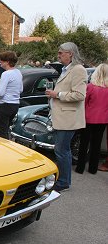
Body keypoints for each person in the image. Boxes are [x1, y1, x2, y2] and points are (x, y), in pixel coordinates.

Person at [45, 42, 87, 192]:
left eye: (61, 53)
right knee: (62, 150)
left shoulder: (78, 70)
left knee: (61, 150)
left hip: (68, 119)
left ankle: (63, 182)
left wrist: (58, 94)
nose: (58, 55)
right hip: (62, 116)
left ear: (71, 54)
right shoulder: (66, 69)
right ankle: (64, 180)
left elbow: (80, 95)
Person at [75, 63, 108, 174]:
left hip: (88, 118)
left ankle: (80, 168)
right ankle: (93, 169)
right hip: (103, 120)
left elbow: (84, 103)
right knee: (96, 144)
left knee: (84, 144)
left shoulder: (90, 87)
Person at [0, 51, 23, 139]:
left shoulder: (6, 74)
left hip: (5, 104)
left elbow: (1, 92)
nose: (0, 62)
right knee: (7, 129)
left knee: (1, 132)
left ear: (8, 62)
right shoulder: (18, 72)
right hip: (15, 104)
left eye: (2, 60)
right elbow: (21, 90)